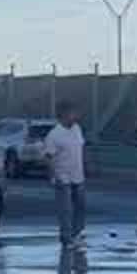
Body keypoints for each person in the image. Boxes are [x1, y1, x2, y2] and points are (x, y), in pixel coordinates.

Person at [44, 100, 87, 247]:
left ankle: (76, 234)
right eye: (73, 112)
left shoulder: (77, 129)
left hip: (78, 176)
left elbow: (80, 149)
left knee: (81, 206)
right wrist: (54, 176)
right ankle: (66, 238)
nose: (76, 115)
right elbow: (48, 158)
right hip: (63, 178)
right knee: (66, 210)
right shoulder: (54, 135)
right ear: (64, 114)